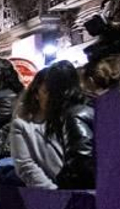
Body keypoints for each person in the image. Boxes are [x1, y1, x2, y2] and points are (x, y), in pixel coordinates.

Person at [40, 61, 95, 190]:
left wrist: (61, 181)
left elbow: (82, 160)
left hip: (86, 194)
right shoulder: (86, 106)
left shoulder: (74, 116)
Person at [9, 69, 62, 190]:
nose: (53, 97)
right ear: (36, 94)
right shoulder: (23, 124)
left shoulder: (71, 117)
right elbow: (25, 165)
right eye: (47, 92)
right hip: (50, 194)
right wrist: (54, 192)